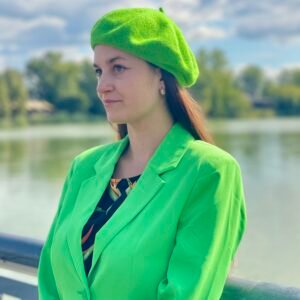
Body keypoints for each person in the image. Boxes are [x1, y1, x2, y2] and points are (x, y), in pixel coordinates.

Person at [37, 7, 247, 300]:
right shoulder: (84, 167)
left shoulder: (209, 171)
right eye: (99, 71)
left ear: (161, 75)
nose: (102, 86)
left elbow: (187, 293)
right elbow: (50, 279)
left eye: (118, 68)